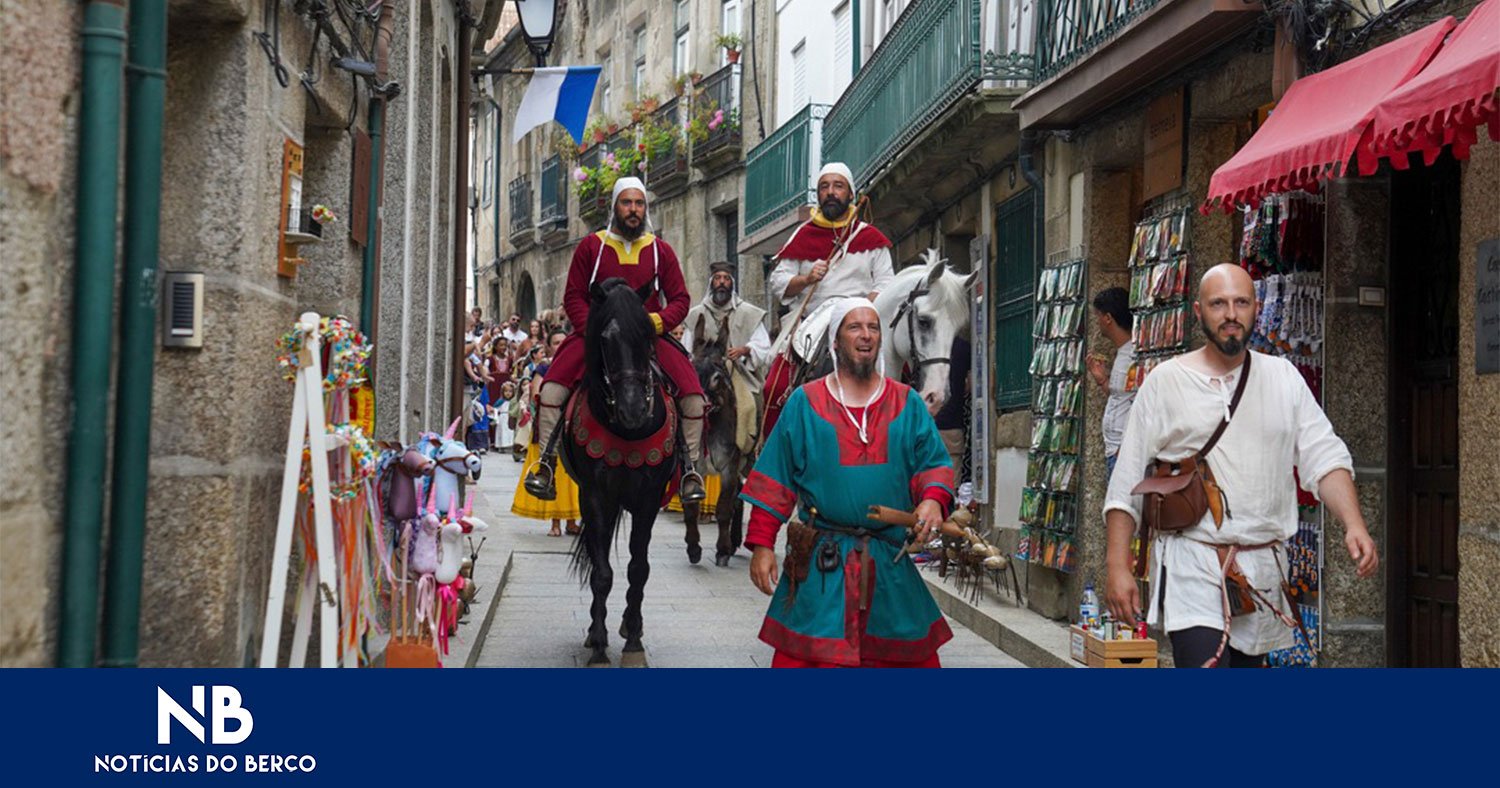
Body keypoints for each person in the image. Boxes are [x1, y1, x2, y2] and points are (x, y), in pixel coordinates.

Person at [1102, 264, 1378, 668]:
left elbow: (1325, 457)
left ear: (1255, 307)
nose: (1231, 313)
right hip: (1191, 565)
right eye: (1219, 303)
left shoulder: (1284, 378)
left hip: (1262, 570)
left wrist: (1354, 524)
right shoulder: (1165, 382)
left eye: (1241, 302)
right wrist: (1117, 567)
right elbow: (1126, 481)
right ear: (1199, 311)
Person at [742, 298, 956, 668]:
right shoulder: (804, 403)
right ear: (836, 341)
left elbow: (933, 464)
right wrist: (762, 545)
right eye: (854, 327)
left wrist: (933, 500)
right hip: (824, 566)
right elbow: (775, 477)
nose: (866, 335)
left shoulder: (907, 402)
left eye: (873, 327)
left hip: (888, 563)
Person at [523, 177, 708, 504]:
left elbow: (679, 298)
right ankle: (546, 464)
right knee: (551, 390)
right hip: (597, 337)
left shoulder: (659, 250)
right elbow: (574, 297)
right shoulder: (591, 247)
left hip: (648, 337)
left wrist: (655, 322)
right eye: (627, 203)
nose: (634, 210)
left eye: (639, 204)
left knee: (693, 397)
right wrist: (593, 327)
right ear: (615, 207)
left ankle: (691, 468)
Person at [761, 163, 895, 438]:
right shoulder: (802, 235)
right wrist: (807, 279)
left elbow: (886, 283)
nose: (831, 192)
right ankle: (771, 453)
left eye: (838, 186)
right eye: (825, 187)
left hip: (862, 314)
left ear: (850, 194)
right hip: (813, 317)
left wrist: (864, 307)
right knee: (773, 386)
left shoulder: (869, 236)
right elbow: (779, 283)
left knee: (907, 367)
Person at [512, 334, 580, 537]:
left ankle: (572, 521)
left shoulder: (577, 364)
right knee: (553, 471)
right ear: (549, 347)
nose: (560, 346)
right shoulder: (544, 367)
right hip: (550, 427)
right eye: (556, 343)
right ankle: (555, 523)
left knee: (573, 478)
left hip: (573, 426)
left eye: (563, 342)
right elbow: (537, 393)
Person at [1085, 287, 1135, 480]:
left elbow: (1140, 402)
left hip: (1123, 454)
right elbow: (1121, 397)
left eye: (1098, 316)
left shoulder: (1134, 356)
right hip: (1114, 450)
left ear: (1107, 318)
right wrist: (1102, 380)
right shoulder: (1122, 354)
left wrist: (1125, 447)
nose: (1097, 322)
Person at [932, 334, 971, 473]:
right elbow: (969, 386)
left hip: (928, 426)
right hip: (953, 424)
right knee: (951, 483)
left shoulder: (928, 344)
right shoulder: (964, 347)